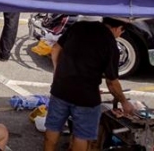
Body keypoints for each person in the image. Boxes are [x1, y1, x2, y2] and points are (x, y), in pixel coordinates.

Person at [43, 17, 135, 151]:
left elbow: (56, 49)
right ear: (118, 28)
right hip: (86, 98)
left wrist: (58, 73)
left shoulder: (79, 26)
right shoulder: (110, 44)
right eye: (122, 31)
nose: (120, 35)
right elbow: (112, 82)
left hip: (60, 89)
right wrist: (124, 102)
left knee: (53, 128)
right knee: (82, 136)